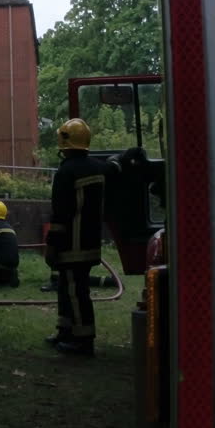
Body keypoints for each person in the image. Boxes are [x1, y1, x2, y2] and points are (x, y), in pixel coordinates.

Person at [44, 118, 127, 356]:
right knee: (68, 287)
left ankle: (83, 340)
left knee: (75, 292)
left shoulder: (65, 172)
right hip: (90, 243)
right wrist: (127, 155)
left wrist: (51, 245)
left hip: (71, 245)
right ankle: (65, 329)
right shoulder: (97, 167)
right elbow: (115, 166)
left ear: (64, 142)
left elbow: (60, 214)